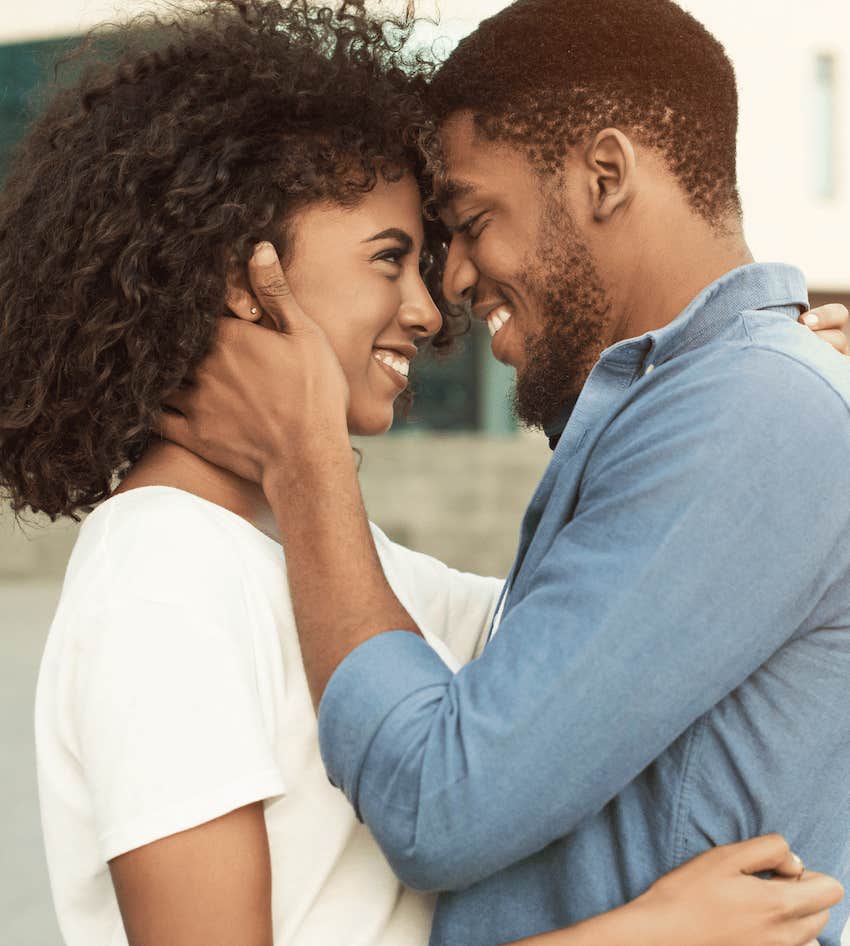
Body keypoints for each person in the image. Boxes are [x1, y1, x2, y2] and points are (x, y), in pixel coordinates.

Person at [0, 3, 843, 946]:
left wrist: (783, 393)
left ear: (607, 175)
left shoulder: (325, 559)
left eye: (455, 234)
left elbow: (559, 665)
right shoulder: (159, 575)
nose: (438, 304)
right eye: (391, 259)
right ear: (246, 279)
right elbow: (480, 752)